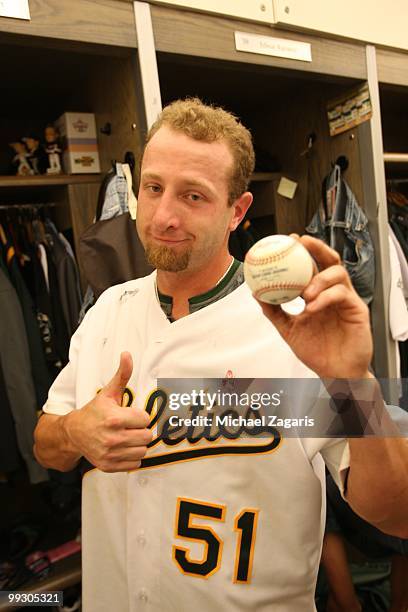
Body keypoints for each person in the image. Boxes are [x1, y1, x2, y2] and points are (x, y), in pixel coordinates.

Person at [33, 98, 408, 612]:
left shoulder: (302, 327)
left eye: (193, 196)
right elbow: (46, 444)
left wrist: (355, 381)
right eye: (153, 187)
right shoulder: (106, 313)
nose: (164, 215)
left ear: (238, 211)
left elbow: (397, 514)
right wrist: (75, 431)